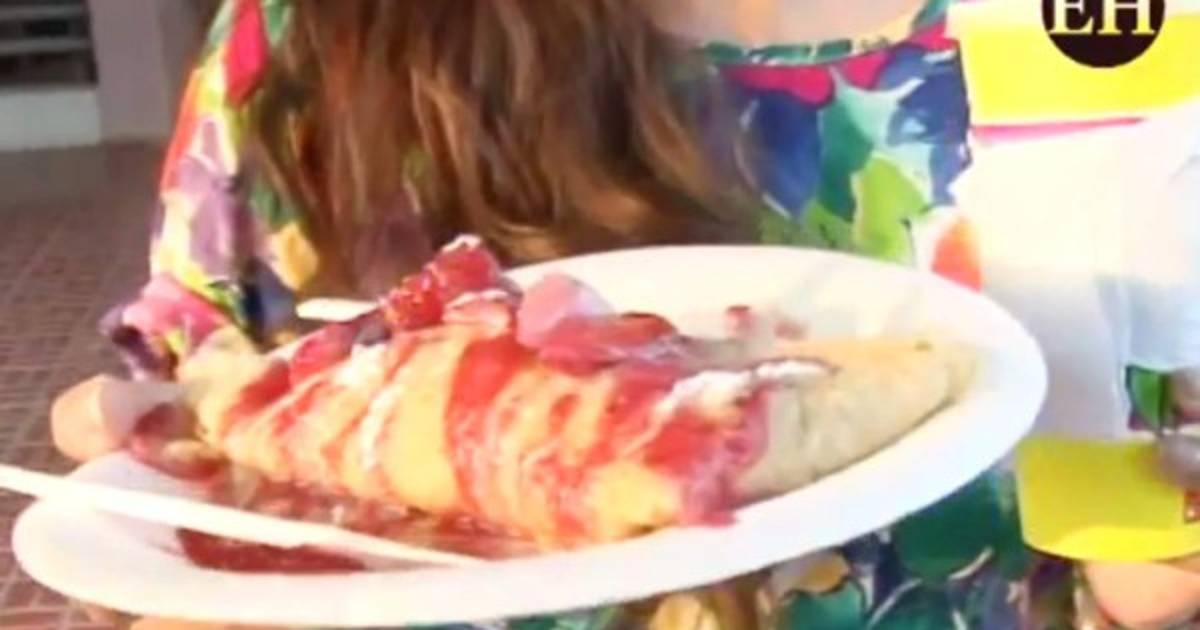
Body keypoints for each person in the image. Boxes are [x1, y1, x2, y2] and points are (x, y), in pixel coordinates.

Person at [51, 0, 1191, 627]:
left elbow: (1128, 534)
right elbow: (200, 445)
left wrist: (1161, 560)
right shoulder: (321, 42)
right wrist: (171, 553)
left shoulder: (1115, 35)